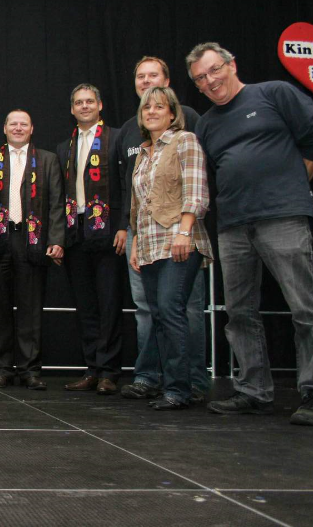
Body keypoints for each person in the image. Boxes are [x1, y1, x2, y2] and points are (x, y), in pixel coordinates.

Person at [187, 42, 313, 426]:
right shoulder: (206, 124)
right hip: (233, 226)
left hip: (282, 218)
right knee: (239, 313)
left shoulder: (274, 93)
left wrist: (291, 188)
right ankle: (253, 391)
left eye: (214, 70)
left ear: (231, 64)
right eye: (200, 78)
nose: (209, 81)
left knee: (305, 308)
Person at [116, 57, 210, 403]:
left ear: (172, 113)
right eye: (147, 108)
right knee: (157, 313)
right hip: (148, 244)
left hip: (178, 241)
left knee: (172, 311)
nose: (152, 112)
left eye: (159, 107)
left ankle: (182, 388)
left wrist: (184, 232)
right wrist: (136, 243)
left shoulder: (185, 140)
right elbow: (137, 205)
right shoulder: (143, 152)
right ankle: (164, 382)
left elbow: (197, 192)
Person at [0, 110, 64, 390]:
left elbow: (57, 202)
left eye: (23, 124)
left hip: (33, 239)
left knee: (30, 308)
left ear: (32, 129)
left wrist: (56, 238)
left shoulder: (47, 159)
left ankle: (30, 370)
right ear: (4, 128)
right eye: (13, 124)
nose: (18, 128)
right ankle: (2, 369)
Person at [56, 84, 125, 395]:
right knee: (85, 305)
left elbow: (126, 186)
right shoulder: (64, 147)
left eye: (89, 101)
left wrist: (123, 226)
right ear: (72, 109)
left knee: (109, 303)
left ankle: (109, 371)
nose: (84, 106)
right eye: (78, 103)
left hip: (108, 230)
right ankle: (92, 369)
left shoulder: (116, 138)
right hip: (76, 231)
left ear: (100, 105)